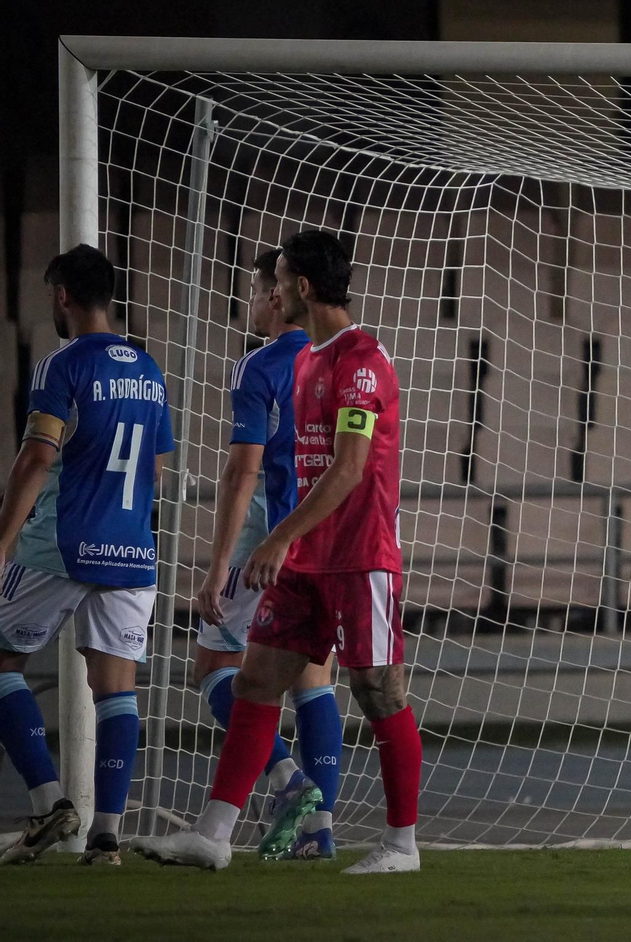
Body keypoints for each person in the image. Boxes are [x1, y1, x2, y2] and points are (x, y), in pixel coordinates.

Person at [132, 230, 421, 874]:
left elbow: (348, 470)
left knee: (378, 691)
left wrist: (276, 537)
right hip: (304, 558)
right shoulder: (305, 360)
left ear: (304, 289)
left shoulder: (361, 361)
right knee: (257, 681)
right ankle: (213, 834)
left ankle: (402, 845)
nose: (270, 290)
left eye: (280, 279)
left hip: (357, 555)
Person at [0, 244, 174, 865]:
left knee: (2, 662)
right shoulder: (149, 370)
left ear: (64, 296)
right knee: (116, 689)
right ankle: (105, 837)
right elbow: (154, 465)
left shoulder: (63, 364)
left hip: (64, 541)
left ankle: (50, 802)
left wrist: (2, 540)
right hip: (132, 547)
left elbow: (38, 454)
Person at [192, 247, 339, 860]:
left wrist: (217, 563)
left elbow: (241, 471)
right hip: (330, 535)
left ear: (277, 297)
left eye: (255, 292)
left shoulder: (261, 364)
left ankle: (286, 778)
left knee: (215, 666)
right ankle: (318, 834)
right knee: (312, 677)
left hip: (271, 532)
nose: (250, 305)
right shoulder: (341, 358)